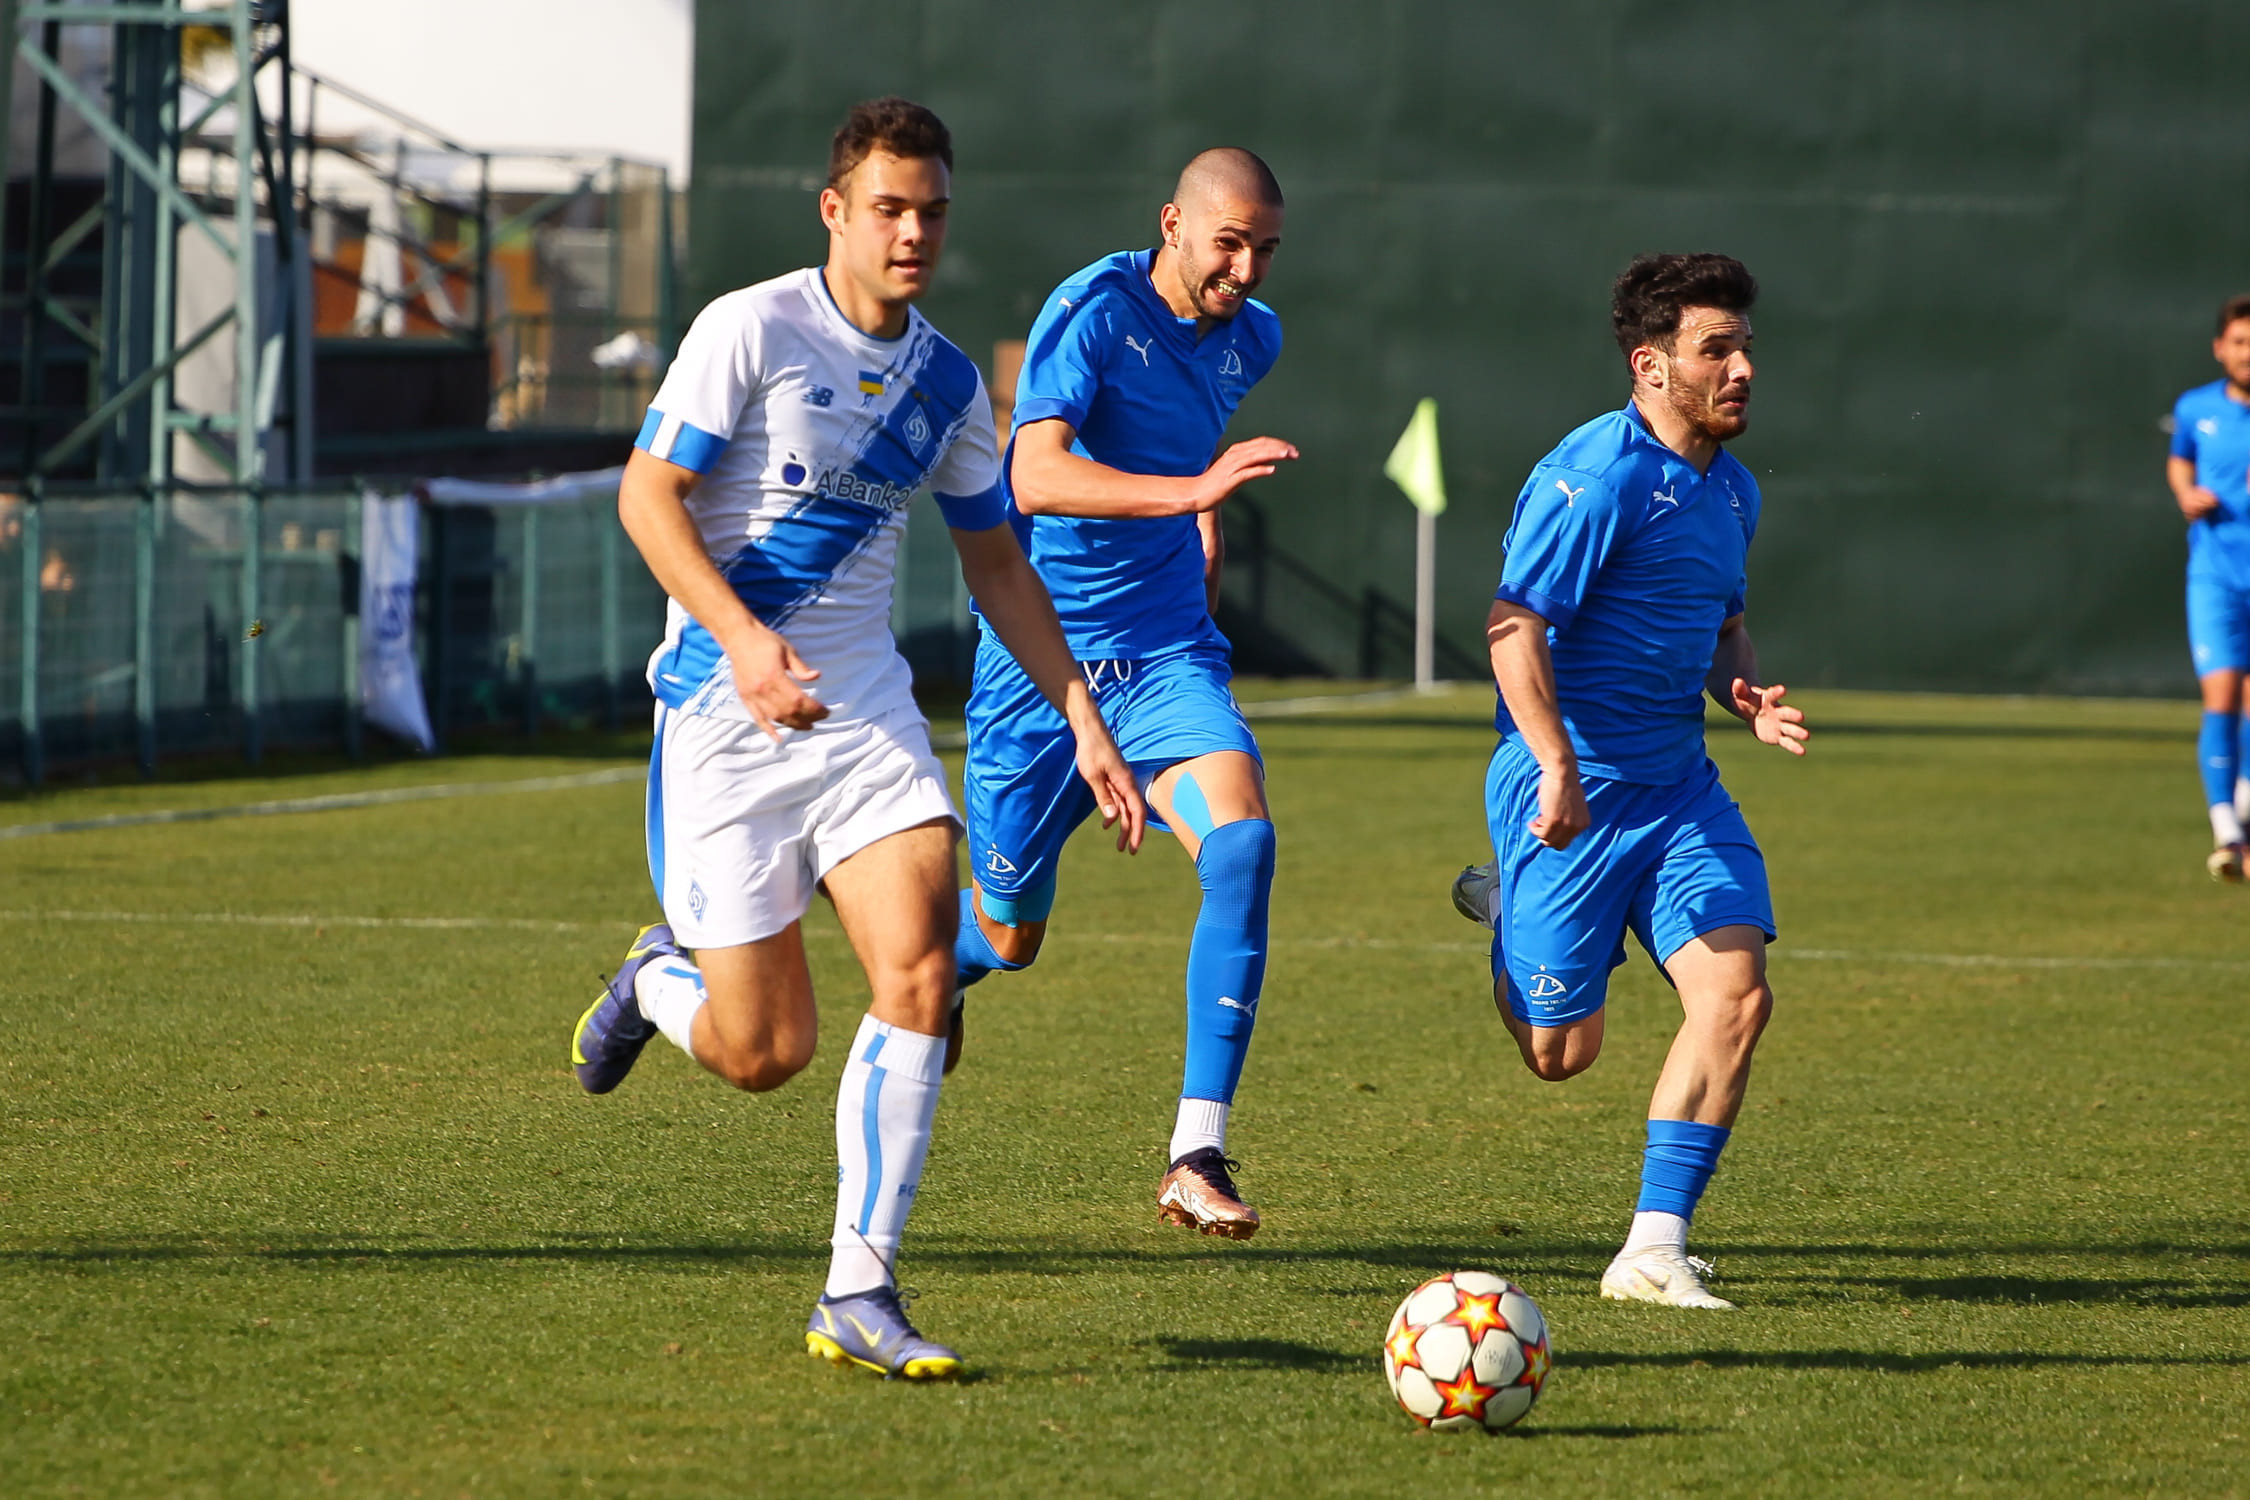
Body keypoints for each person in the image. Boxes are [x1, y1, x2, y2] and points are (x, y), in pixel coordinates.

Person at [568, 97, 1145, 1380]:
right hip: (723, 718)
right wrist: (742, 640)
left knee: (925, 974)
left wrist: (1085, 718)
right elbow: (645, 498)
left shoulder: (948, 381)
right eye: (889, 207)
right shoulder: (750, 327)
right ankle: (654, 982)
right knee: (763, 1052)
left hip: (865, 713)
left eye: (932, 210)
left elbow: (998, 564)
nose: (913, 232)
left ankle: (859, 1288)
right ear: (836, 209)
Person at [949, 149, 1296, 1239]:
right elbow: (1034, 474)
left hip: (1162, 656)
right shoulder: (1092, 312)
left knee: (1242, 845)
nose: (1246, 267)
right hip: (1039, 669)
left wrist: (1203, 521)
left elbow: (1184, 456)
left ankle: (1196, 1150)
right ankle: (934, 962)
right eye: (1229, 241)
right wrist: (1192, 490)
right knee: (1008, 938)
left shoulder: (1254, 337)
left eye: (1266, 248)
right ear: (1173, 225)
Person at [1451, 253, 1806, 1309]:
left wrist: (1739, 691)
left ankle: (1652, 1248)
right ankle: (1518, 911)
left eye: (1746, 347)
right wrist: (1556, 766)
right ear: (1651, 366)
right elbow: (1513, 628)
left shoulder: (1731, 490)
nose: (1742, 367)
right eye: (1717, 349)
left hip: (1679, 791)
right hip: (1572, 795)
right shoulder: (1596, 478)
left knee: (1737, 996)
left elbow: (1723, 625)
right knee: (1561, 1055)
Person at [2165, 295, 2250, 882]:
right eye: (2240, 341)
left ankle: (2242, 811)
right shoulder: (2197, 408)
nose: (2249, 353)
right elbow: (2180, 461)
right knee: (2220, 695)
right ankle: (2226, 830)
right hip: (2216, 577)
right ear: (2220, 348)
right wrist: (2185, 493)